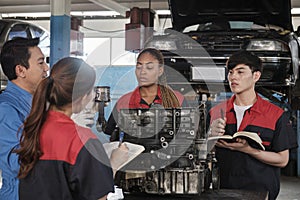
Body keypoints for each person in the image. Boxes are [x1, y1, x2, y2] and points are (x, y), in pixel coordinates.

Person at [15, 57, 128, 200]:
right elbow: (97, 196)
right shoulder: (83, 140)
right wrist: (113, 164)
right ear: (82, 97)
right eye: (91, 90)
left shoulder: (33, 128)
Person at [208, 50, 298, 200]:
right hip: (223, 191)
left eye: (240, 72)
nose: (233, 77)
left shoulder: (275, 114)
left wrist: (250, 150)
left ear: (256, 76)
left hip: (261, 192)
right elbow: (202, 155)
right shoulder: (216, 111)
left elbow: (282, 160)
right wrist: (210, 135)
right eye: (231, 72)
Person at [0, 37, 49, 200]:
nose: (46, 68)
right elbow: (19, 165)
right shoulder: (6, 110)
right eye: (41, 63)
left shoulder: (35, 103)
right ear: (21, 70)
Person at [104, 47, 187, 140]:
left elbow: (188, 135)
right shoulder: (124, 102)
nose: (142, 72)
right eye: (139, 67)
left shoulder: (177, 99)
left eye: (149, 67)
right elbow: (111, 135)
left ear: (160, 71)